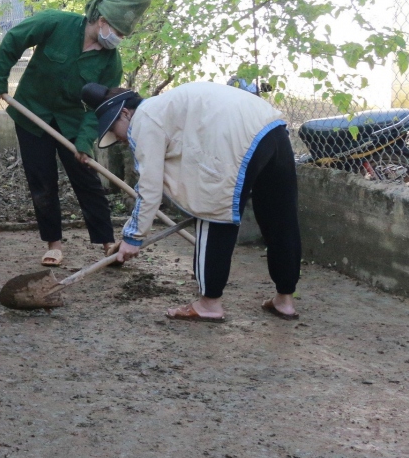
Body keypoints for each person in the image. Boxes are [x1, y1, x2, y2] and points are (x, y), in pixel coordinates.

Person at [83, 81, 301, 323]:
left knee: (212, 212)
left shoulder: (144, 119)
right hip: (271, 127)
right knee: (280, 217)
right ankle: (285, 301)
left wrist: (134, 236)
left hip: (236, 137)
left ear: (125, 113)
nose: (118, 138)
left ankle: (209, 304)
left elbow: (149, 186)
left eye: (113, 129)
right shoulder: (166, 107)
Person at [0, 0, 152, 267]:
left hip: (74, 122)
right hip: (32, 113)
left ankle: (107, 242)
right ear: (102, 21)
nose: (118, 40)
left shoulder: (111, 62)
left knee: (87, 180)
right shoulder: (55, 22)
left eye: (123, 36)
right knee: (42, 180)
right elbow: (15, 39)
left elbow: (100, 110)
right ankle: (54, 244)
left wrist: (85, 141)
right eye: (118, 32)